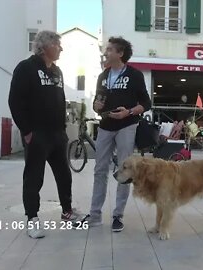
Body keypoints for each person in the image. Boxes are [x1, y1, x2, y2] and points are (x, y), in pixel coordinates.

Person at [8, 30, 85, 239]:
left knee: (64, 175)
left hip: (57, 135)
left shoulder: (57, 72)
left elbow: (59, 100)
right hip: (36, 134)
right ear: (45, 46)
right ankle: (32, 219)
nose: (61, 48)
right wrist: (26, 131)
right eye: (57, 45)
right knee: (34, 177)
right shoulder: (26, 68)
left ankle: (67, 212)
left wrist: (63, 131)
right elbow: (15, 101)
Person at [87, 37, 151, 232]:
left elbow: (146, 104)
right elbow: (98, 103)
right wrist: (96, 106)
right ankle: (95, 214)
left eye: (109, 49)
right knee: (100, 169)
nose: (106, 52)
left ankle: (117, 215)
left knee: (124, 170)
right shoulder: (103, 76)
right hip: (105, 126)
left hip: (127, 126)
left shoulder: (135, 75)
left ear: (120, 53)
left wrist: (128, 112)